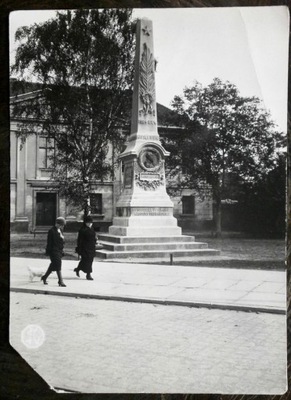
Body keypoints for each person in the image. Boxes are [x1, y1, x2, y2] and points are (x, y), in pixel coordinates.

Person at [41, 217, 66, 287]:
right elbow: (49, 242)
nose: (62, 226)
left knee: (53, 265)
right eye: (61, 225)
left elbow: (62, 242)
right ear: (57, 224)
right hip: (53, 251)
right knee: (58, 264)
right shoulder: (51, 231)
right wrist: (48, 252)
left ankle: (44, 277)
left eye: (63, 225)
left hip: (59, 250)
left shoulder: (60, 230)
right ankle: (60, 281)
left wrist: (62, 248)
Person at [74, 215, 96, 280]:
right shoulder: (82, 230)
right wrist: (79, 249)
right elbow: (80, 240)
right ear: (85, 223)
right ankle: (88, 275)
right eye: (88, 223)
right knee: (86, 261)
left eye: (91, 223)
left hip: (91, 247)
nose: (90, 224)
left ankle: (78, 269)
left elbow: (93, 237)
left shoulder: (92, 229)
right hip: (85, 248)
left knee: (89, 261)